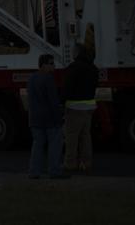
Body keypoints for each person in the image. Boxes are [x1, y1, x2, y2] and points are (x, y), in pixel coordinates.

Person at [27, 53, 68, 179]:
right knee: (55, 146)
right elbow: (53, 101)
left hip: (35, 118)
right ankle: (54, 171)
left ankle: (34, 172)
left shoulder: (32, 78)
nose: (54, 66)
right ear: (44, 65)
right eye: (51, 63)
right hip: (50, 119)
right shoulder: (48, 79)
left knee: (37, 145)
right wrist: (60, 117)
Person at [63, 43, 98, 173]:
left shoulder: (73, 68)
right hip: (89, 107)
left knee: (72, 137)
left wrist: (61, 102)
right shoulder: (93, 68)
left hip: (74, 107)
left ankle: (70, 163)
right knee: (86, 136)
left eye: (73, 51)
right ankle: (86, 163)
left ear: (77, 53)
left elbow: (67, 88)